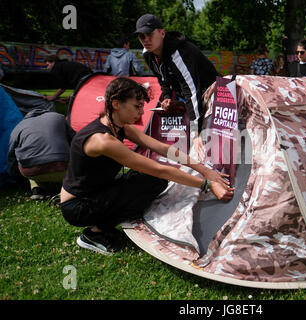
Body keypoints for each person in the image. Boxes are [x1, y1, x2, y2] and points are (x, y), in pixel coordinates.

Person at [60, 77, 234, 255]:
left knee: (153, 182)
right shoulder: (102, 140)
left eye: (142, 106)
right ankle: (93, 234)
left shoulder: (119, 126)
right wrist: (208, 184)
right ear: (116, 104)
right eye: (137, 106)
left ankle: (104, 226)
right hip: (77, 207)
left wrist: (205, 170)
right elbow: (158, 168)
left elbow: (163, 148)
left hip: (97, 191)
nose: (142, 112)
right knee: (152, 178)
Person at [134, 13, 219, 135]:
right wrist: (167, 96)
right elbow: (162, 79)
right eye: (142, 37)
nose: (146, 40)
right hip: (195, 99)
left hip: (213, 94)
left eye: (150, 34)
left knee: (204, 138)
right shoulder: (148, 53)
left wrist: (196, 131)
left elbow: (191, 91)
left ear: (162, 33)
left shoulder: (178, 52)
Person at [8, 109, 75, 200]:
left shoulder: (19, 126)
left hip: (31, 172)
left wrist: (16, 179)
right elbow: (75, 140)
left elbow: (11, 157)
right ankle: (65, 191)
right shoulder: (59, 117)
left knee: (26, 157)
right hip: (62, 168)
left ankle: (37, 191)